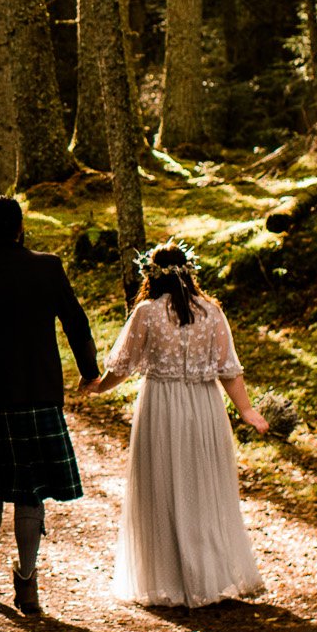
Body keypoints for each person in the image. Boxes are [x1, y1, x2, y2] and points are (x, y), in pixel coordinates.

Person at [77, 241, 269, 607]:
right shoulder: (212, 312)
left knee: (163, 487)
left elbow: (123, 365)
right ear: (189, 272)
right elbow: (228, 369)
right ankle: (209, 576)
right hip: (205, 405)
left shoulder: (146, 312)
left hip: (161, 405)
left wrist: (100, 386)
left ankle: (171, 578)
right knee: (203, 487)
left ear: (150, 276)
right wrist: (246, 410)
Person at [0, 194, 100, 616]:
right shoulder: (47, 267)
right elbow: (76, 321)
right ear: (20, 227)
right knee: (30, 494)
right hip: (38, 392)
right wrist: (89, 369)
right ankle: (27, 584)